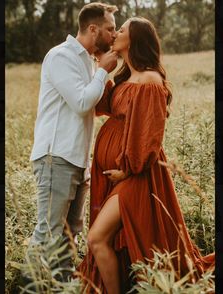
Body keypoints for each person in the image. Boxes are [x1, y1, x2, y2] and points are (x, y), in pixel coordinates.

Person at [79, 17, 215, 293]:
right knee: (108, 238)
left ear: (136, 39)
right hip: (119, 173)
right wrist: (104, 69)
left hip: (137, 175)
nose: (115, 33)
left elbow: (150, 134)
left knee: (97, 238)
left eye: (122, 29)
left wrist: (128, 168)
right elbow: (102, 106)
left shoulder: (151, 80)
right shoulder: (127, 77)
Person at [27, 2, 118, 278]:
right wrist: (103, 70)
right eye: (110, 29)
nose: (114, 35)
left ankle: (62, 287)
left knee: (69, 238)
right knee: (48, 235)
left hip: (77, 160)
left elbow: (95, 104)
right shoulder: (61, 56)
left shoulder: (88, 60)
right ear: (93, 29)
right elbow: (81, 102)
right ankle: (27, 285)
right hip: (56, 158)